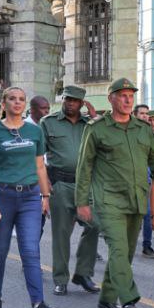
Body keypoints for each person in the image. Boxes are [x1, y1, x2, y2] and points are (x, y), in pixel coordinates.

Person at [75, 78, 154, 308]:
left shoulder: (143, 128)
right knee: (118, 248)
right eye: (123, 95)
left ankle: (107, 297)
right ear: (111, 99)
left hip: (136, 198)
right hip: (108, 200)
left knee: (125, 252)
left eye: (131, 95)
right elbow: (84, 167)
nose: (128, 100)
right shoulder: (96, 129)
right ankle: (128, 299)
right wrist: (82, 201)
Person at [0, 86, 59, 308]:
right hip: (2, 195)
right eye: (12, 99)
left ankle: (38, 306)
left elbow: (40, 166)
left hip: (30, 197)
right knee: (0, 251)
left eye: (21, 99)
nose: (17, 103)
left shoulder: (34, 131)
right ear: (4, 104)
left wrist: (45, 197)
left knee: (30, 251)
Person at [41, 86, 100, 296]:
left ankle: (83, 273)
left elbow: (104, 145)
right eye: (68, 99)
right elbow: (38, 156)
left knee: (94, 225)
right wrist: (45, 185)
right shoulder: (48, 123)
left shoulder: (90, 125)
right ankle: (60, 278)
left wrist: (95, 117)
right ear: (63, 100)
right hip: (60, 184)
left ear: (82, 103)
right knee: (61, 233)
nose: (71, 103)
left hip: (86, 185)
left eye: (76, 101)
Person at [133, 104, 154, 259]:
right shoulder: (129, 132)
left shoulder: (151, 134)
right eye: (142, 113)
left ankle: (147, 246)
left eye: (146, 113)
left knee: (148, 213)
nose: (145, 116)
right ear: (135, 115)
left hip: (147, 181)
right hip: (129, 182)